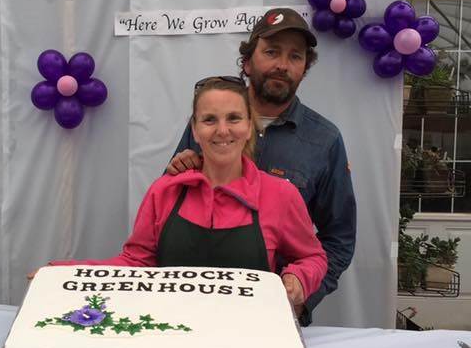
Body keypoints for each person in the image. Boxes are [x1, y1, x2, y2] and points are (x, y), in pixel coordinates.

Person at [55, 77, 327, 313]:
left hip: (250, 342)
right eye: (210, 120)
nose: (222, 130)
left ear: (248, 127)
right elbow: (135, 263)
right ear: (195, 131)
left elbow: (313, 257)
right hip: (171, 338)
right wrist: (65, 275)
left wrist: (299, 279)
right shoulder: (165, 191)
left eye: (233, 118)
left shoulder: (280, 194)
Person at [166, 8, 355, 325]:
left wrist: (302, 298)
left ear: (304, 69)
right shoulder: (210, 123)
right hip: (193, 308)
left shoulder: (325, 141)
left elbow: (339, 239)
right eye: (271, 52)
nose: (283, 64)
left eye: (295, 56)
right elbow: (168, 214)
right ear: (247, 62)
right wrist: (178, 174)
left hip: (274, 321)